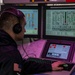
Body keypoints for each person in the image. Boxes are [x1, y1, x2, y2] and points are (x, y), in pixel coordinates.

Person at [0, 7, 65, 75]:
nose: (24, 30)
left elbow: (22, 66)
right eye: (23, 26)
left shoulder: (5, 46)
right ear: (17, 28)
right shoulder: (10, 53)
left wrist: (50, 66)